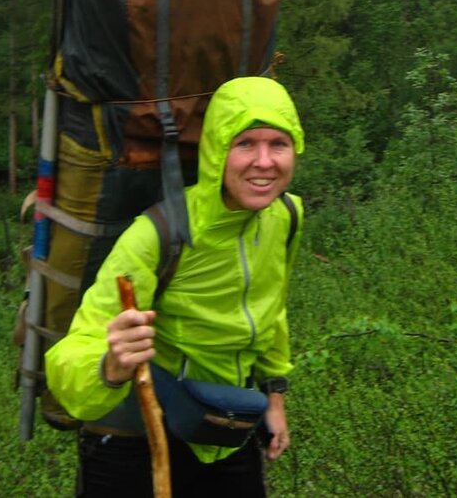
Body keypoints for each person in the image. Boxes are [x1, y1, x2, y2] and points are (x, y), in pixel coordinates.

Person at [45, 75, 305, 497]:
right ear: (218, 150)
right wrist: (110, 365)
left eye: (278, 143)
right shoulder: (157, 235)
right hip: (136, 441)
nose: (264, 161)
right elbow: (72, 352)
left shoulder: (286, 217)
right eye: (245, 144)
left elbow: (272, 307)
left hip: (225, 428)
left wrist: (274, 397)